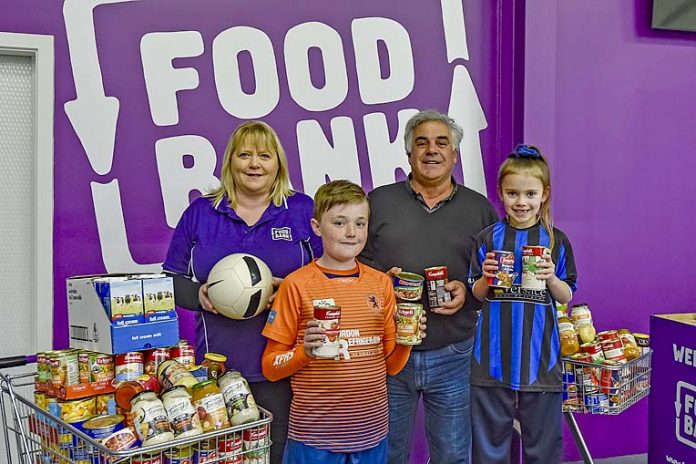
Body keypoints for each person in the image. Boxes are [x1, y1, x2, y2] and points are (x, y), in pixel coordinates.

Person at [162, 120, 322, 464]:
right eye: (245, 155)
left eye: (264, 156)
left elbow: (331, 277)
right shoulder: (201, 213)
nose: (254, 164)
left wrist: (291, 291)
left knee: (276, 454)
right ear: (230, 161)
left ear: (278, 163)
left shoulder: (301, 210)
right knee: (221, 456)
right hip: (217, 367)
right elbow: (170, 280)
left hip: (285, 366)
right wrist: (198, 294)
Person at [360, 110, 499, 464]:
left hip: (453, 353)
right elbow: (352, 266)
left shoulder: (479, 209)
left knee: (452, 456)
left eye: (441, 143)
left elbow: (495, 277)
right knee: (386, 455)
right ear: (409, 154)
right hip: (387, 352)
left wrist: (467, 291)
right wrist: (381, 283)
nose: (431, 150)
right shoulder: (378, 203)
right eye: (422, 143)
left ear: (455, 155)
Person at [261, 180, 426, 464]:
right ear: (316, 227)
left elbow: (391, 367)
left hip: (371, 434)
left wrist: (406, 341)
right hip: (314, 437)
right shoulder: (296, 285)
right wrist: (304, 353)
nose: (351, 232)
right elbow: (270, 368)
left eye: (360, 224)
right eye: (339, 223)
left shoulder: (381, 284)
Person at [468, 144, 577, 464]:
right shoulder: (487, 239)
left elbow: (566, 296)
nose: (521, 202)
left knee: (543, 448)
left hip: (541, 359)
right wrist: (486, 278)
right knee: (488, 447)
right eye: (512, 193)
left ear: (544, 195)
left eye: (530, 194)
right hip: (491, 359)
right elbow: (476, 294)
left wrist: (551, 278)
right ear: (500, 193)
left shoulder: (556, 240)